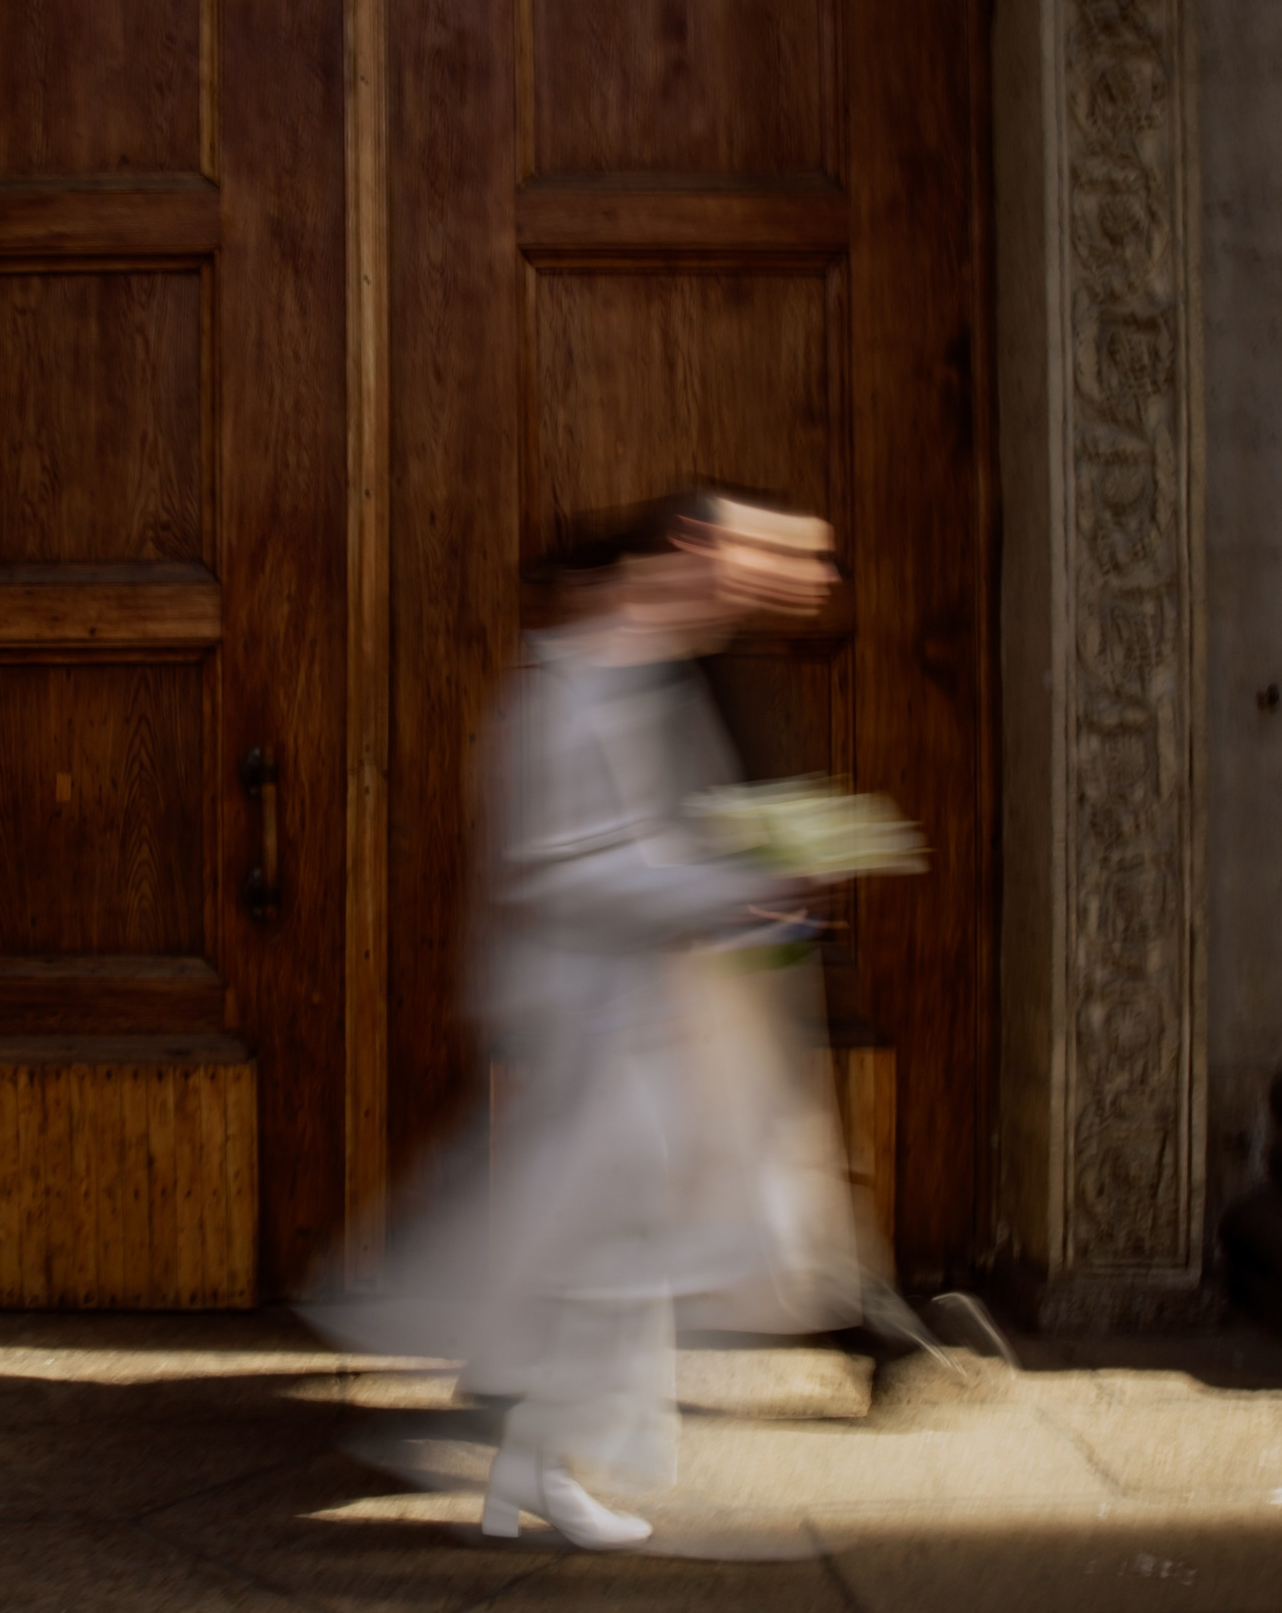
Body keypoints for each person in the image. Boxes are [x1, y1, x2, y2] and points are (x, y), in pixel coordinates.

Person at [312, 487, 882, 1550]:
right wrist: (738, 882)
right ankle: (533, 1455)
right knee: (615, 1253)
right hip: (597, 1025)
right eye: (760, 552)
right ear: (692, 547)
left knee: (621, 1252)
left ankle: (529, 1467)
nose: (784, 580)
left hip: (649, 1019)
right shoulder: (578, 689)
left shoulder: (648, 674)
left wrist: (746, 885)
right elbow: (561, 872)